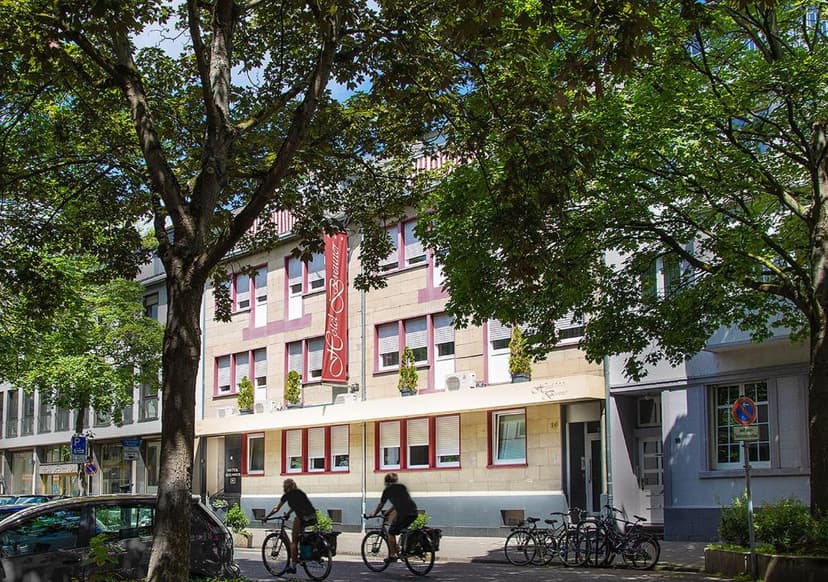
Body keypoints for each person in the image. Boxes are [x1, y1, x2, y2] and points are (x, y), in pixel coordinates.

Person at [267, 478, 317, 573]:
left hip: (302, 517)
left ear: (286, 487)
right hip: (313, 516)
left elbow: (276, 509)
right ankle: (303, 555)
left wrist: (266, 517)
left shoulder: (286, 496)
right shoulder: (299, 492)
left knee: (293, 541)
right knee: (301, 537)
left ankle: (293, 567)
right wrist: (288, 513)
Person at [367, 472, 418, 563]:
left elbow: (381, 504)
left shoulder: (387, 490)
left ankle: (392, 555)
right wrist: (388, 512)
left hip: (403, 513)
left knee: (391, 532)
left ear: (386, 482)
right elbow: (398, 503)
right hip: (413, 512)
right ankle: (404, 549)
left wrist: (374, 513)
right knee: (403, 530)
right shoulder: (402, 487)